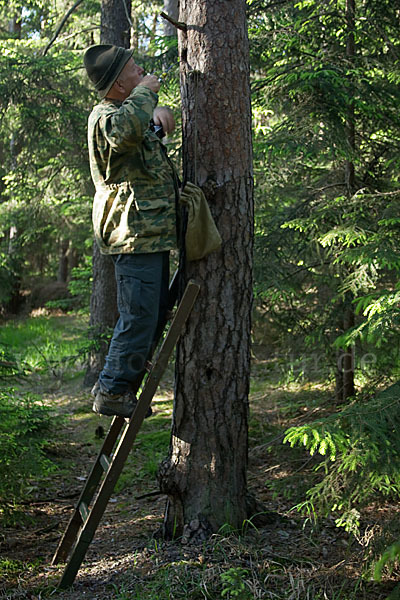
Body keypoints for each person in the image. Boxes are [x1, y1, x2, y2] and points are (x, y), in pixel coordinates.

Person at [83, 44, 178, 418]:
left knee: (151, 315)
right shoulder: (104, 116)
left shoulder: (125, 110)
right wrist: (147, 95)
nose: (141, 71)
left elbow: (142, 135)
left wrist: (158, 114)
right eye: (133, 69)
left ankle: (123, 385)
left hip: (149, 232)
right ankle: (111, 389)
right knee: (138, 314)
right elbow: (123, 133)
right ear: (119, 82)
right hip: (132, 234)